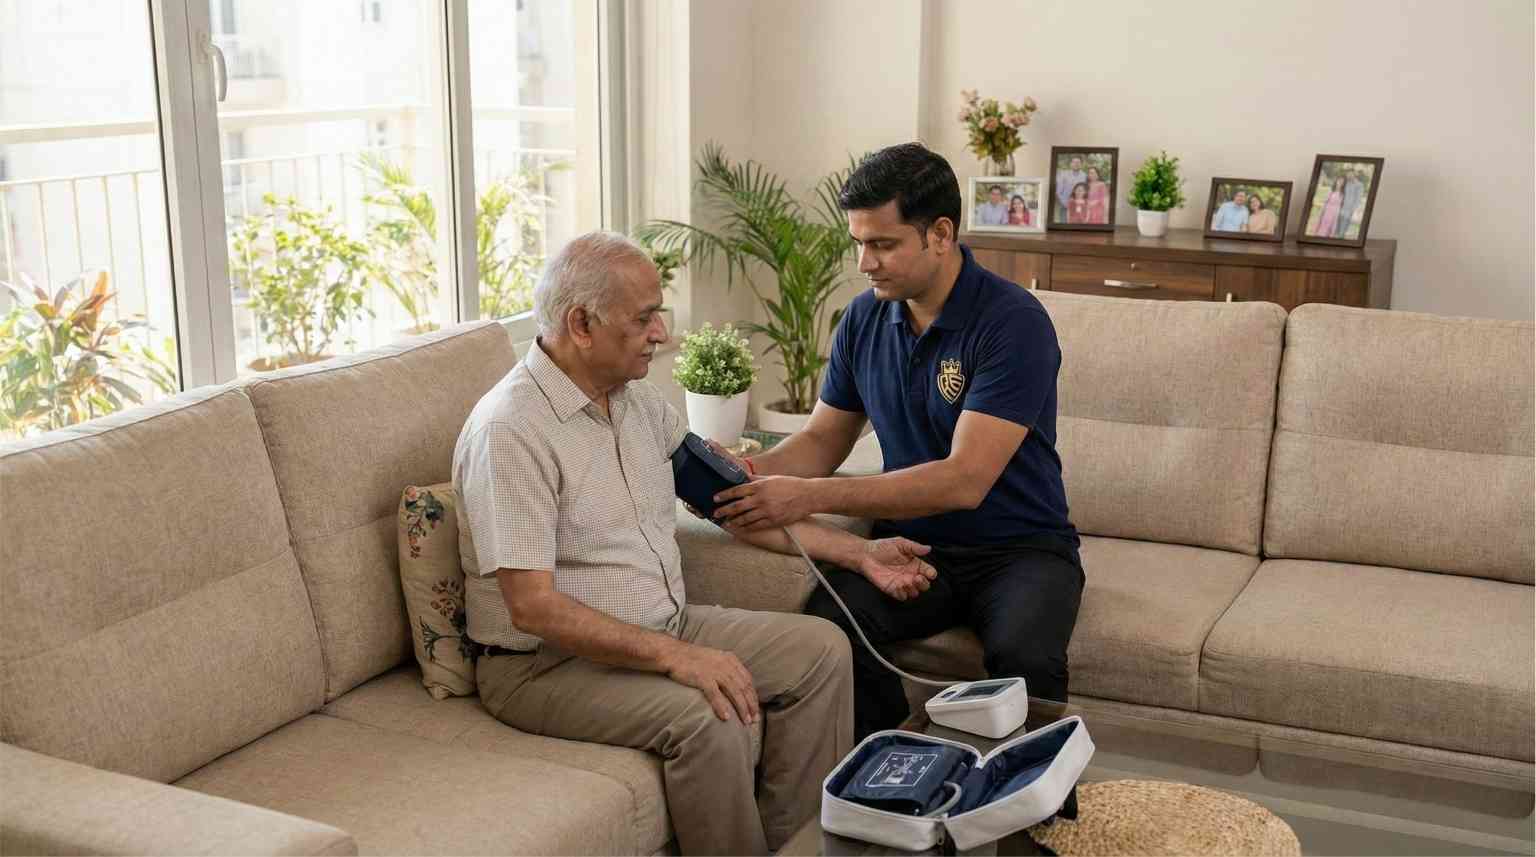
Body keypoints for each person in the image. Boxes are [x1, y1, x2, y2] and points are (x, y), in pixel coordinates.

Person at [453, 232, 941, 855]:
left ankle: (794, 845)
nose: (661, 334)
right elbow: (533, 609)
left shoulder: (640, 404)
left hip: (661, 624)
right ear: (580, 324)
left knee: (821, 650)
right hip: (542, 666)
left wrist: (861, 554)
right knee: (711, 715)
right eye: (644, 318)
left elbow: (736, 507)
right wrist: (674, 657)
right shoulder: (510, 431)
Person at [706, 142, 1085, 741]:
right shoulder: (863, 319)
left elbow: (965, 480)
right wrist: (751, 469)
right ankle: (893, 776)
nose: (864, 262)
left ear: (940, 233)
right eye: (858, 242)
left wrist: (804, 496)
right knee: (832, 627)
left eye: (882, 244)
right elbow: (822, 440)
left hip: (1021, 550)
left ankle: (1031, 824)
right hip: (910, 546)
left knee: (1027, 660)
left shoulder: (1013, 322)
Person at [1334, 168, 1366, 238]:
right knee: (1336, 229)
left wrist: (1352, 210)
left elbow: (1358, 199)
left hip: (1348, 211)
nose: (1348, 175)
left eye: (1350, 174)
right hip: (1340, 208)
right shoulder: (1346, 183)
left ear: (1354, 174)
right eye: (1347, 174)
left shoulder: (1359, 185)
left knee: (1342, 231)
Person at [1054, 156, 1086, 221]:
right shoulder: (1063, 174)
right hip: (1065, 206)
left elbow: (1085, 190)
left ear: (1081, 164)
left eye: (1078, 162)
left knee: (1077, 226)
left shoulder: (1084, 176)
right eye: (1074, 162)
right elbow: (1058, 191)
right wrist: (1065, 204)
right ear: (1071, 164)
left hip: (1079, 206)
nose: (1076, 164)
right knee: (1064, 226)